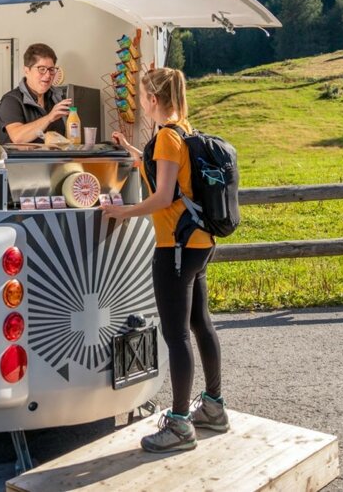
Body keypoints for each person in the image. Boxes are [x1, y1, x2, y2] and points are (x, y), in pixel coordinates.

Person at [101, 67, 229, 453]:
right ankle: (214, 408)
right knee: (200, 324)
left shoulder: (166, 139)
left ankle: (178, 426)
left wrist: (121, 212)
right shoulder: (181, 130)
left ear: (152, 99)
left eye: (142, 96)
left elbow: (163, 197)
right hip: (199, 243)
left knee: (176, 337)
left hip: (174, 248)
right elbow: (170, 176)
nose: (141, 101)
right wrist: (132, 151)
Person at [0, 43, 72, 144]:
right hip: (22, 160)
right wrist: (49, 118)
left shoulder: (57, 98)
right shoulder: (11, 101)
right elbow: (18, 137)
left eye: (51, 69)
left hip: (56, 160)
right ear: (27, 71)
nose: (48, 75)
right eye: (42, 69)